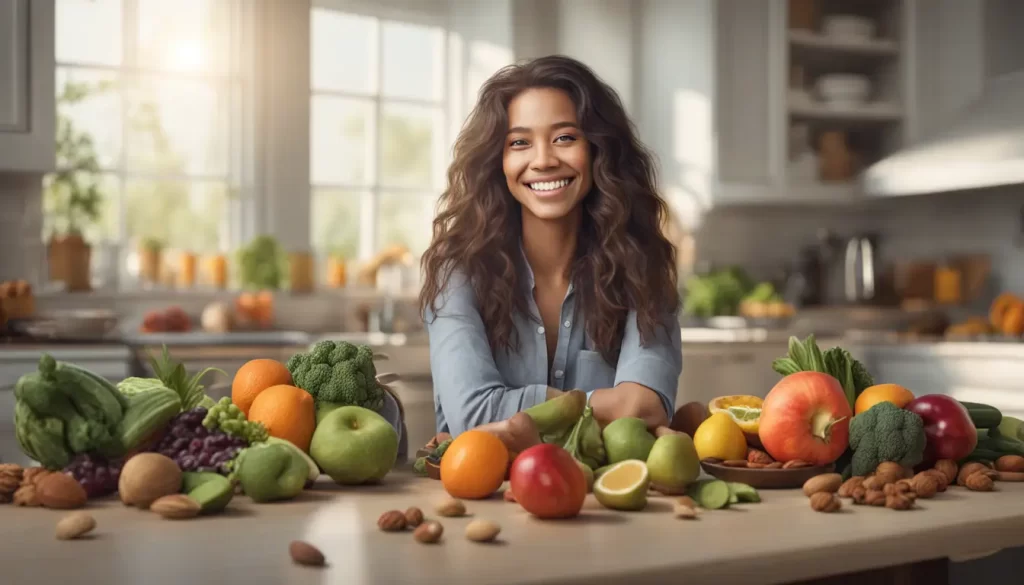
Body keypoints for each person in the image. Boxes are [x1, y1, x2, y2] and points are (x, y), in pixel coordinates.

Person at [419, 55, 682, 447]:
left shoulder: (643, 269)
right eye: (520, 142)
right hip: (483, 502)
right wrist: (608, 405)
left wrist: (512, 416)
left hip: (608, 504)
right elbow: (471, 417)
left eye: (564, 137)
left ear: (598, 151)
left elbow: (645, 408)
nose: (542, 160)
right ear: (499, 161)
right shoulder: (457, 273)